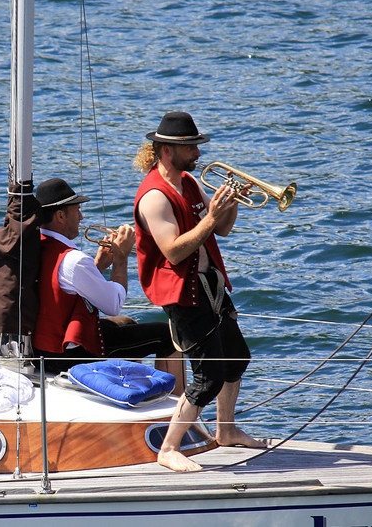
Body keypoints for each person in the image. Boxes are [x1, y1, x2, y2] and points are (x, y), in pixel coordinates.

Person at [133, 111, 266, 473]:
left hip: (210, 286)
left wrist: (230, 204)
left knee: (236, 358)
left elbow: (220, 230)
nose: (196, 152)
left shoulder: (189, 182)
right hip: (183, 294)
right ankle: (169, 448)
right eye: (189, 147)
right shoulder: (154, 197)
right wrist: (210, 218)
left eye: (195, 145)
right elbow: (174, 251)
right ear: (165, 151)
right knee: (208, 376)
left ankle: (226, 430)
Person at [32, 178, 183, 389]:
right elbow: (113, 304)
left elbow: (61, 288)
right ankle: (175, 405)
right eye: (77, 211)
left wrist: (97, 267)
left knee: (126, 322)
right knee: (169, 334)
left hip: (43, 346)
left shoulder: (35, 246)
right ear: (60, 216)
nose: (81, 217)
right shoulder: (74, 260)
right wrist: (121, 258)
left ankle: (128, 388)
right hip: (72, 354)